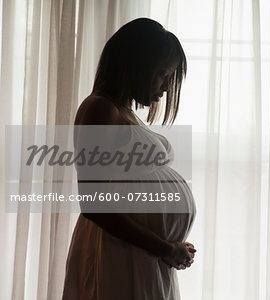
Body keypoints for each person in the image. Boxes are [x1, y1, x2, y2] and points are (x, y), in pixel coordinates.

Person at [62, 18, 196, 300]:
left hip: (140, 255)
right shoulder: (100, 110)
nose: (166, 88)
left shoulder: (122, 112)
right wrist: (166, 248)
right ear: (137, 64)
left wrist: (168, 246)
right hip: (117, 254)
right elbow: (93, 204)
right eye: (162, 74)